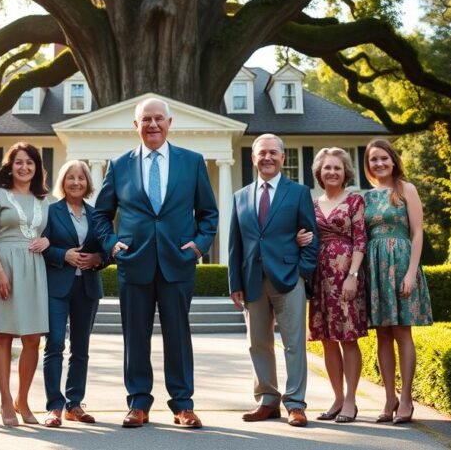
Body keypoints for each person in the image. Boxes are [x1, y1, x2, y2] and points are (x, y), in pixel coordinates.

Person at [91, 97, 219, 429]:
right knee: (135, 336)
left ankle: (183, 404)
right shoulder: (119, 165)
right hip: (134, 262)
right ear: (136, 125)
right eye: (145, 119)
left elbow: (208, 213)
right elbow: (101, 215)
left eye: (158, 118)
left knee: (178, 336)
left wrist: (199, 245)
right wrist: (111, 245)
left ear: (169, 123)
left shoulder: (192, 162)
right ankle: (138, 403)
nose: (152, 124)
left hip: (178, 262)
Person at [227, 134, 318, 428]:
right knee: (258, 343)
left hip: (289, 279)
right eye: (261, 153)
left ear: (282, 157)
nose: (267, 157)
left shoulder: (299, 193)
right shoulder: (240, 196)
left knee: (294, 344)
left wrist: (302, 272)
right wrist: (234, 283)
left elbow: (311, 238)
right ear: (253, 158)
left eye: (272, 153)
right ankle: (267, 400)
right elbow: (235, 244)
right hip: (252, 280)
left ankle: (295, 403)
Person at [0, 142, 52, 426]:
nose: (24, 167)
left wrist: (48, 240)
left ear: (37, 168)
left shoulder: (46, 200)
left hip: (35, 269)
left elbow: (57, 232)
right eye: (19, 162)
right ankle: (5, 400)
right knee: (4, 336)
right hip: (6, 267)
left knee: (33, 339)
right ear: (10, 167)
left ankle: (23, 400)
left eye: (30, 162)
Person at [363, 139, 433, 424]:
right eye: (373, 159)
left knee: (403, 332)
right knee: (382, 334)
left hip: (402, 262)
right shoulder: (366, 197)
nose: (379, 163)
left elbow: (418, 232)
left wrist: (411, 272)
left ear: (393, 160)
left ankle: (406, 398)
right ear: (368, 165)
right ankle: (389, 397)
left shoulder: (407, 189)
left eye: (383, 158)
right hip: (375, 268)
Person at [41, 160, 110, 428]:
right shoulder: (51, 212)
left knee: (81, 348)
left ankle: (74, 404)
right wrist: (63, 255)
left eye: (81, 178)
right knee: (55, 345)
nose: (76, 182)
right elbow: (42, 246)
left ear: (88, 183)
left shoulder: (97, 215)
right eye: (71, 177)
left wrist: (97, 258)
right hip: (57, 287)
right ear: (63, 181)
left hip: (87, 288)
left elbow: (108, 249)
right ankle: (54, 406)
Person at [306, 147, 368, 424]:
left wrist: (353, 275)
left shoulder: (354, 201)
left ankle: (351, 400)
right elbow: (307, 236)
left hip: (346, 276)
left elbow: (361, 240)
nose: (332, 172)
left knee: (348, 338)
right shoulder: (312, 204)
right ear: (319, 172)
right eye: (327, 168)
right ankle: (337, 398)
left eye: (337, 168)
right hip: (320, 278)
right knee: (327, 340)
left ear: (345, 173)